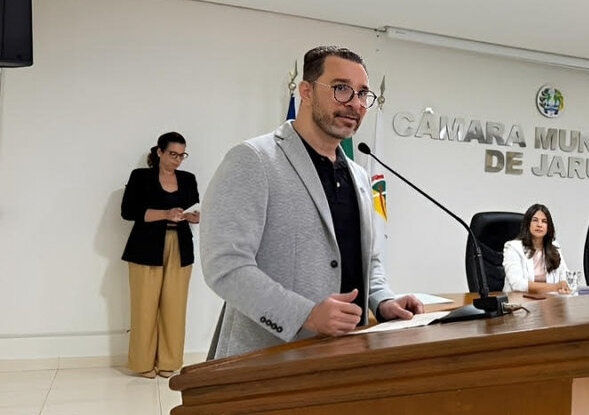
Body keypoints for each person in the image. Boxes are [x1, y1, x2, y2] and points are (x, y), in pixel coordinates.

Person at [201, 46, 422, 359]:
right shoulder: (254, 159)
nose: (355, 104)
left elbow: (367, 261)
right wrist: (304, 314)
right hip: (268, 359)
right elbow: (225, 266)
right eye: (341, 89)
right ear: (306, 91)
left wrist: (383, 300)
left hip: (347, 352)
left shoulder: (359, 175)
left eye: (362, 94)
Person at [120, 132, 200, 378]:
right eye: (173, 154)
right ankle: (142, 363)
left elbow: (193, 207)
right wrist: (165, 214)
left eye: (182, 155)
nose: (178, 160)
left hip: (180, 246)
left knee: (175, 306)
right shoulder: (140, 176)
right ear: (159, 152)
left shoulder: (188, 179)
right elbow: (128, 212)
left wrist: (192, 217)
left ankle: (169, 362)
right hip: (145, 247)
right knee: (144, 306)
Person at [502, 204, 570, 293]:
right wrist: (555, 287)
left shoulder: (554, 247)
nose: (539, 225)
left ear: (548, 227)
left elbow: (565, 275)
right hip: (519, 299)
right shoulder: (513, 247)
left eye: (544, 221)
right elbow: (517, 284)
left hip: (549, 299)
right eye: (535, 220)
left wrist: (564, 284)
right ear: (528, 224)